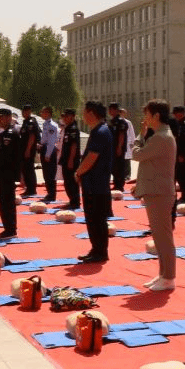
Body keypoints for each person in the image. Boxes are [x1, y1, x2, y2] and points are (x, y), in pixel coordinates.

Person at [133, 100, 179, 292]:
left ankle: (168, 277)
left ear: (156, 116)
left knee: (163, 237)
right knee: (159, 237)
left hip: (159, 192)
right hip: (156, 190)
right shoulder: (160, 136)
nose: (146, 119)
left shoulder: (161, 137)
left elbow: (137, 155)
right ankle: (163, 274)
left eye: (148, 115)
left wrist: (138, 137)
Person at [74, 101, 114, 264]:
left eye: (84, 112)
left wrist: (78, 172)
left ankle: (100, 251)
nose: (83, 115)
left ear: (91, 113)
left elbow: (92, 157)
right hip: (95, 183)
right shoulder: (100, 130)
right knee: (93, 219)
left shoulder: (100, 132)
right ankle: (96, 249)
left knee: (96, 219)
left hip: (96, 183)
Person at [0, 108, 22, 239]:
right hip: (1, 173)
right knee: (2, 200)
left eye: (1, 118)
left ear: (8, 118)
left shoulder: (13, 133)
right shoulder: (3, 134)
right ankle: (7, 227)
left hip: (7, 173)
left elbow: (10, 156)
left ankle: (11, 229)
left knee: (7, 201)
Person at [59, 108, 82, 210]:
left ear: (72, 117)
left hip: (71, 159)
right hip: (66, 158)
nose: (64, 118)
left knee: (72, 181)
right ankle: (72, 200)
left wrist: (71, 160)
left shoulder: (73, 128)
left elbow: (74, 145)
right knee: (67, 181)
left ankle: (75, 201)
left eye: (66, 116)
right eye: (63, 116)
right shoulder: (67, 128)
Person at [37, 106, 60, 202]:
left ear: (48, 113)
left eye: (43, 112)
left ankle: (52, 194)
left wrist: (48, 154)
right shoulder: (45, 124)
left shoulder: (52, 125)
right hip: (44, 148)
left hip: (49, 149)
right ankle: (49, 192)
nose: (41, 113)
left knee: (50, 173)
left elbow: (51, 141)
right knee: (46, 173)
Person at [107, 103, 131, 193]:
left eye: (112, 109)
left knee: (119, 167)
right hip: (111, 148)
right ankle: (116, 184)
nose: (110, 111)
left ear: (117, 110)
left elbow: (121, 135)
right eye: (109, 110)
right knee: (113, 167)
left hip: (118, 147)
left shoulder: (121, 121)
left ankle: (120, 185)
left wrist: (119, 147)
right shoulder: (110, 121)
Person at [19, 104, 41, 197]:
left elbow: (32, 137)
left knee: (29, 169)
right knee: (25, 169)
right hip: (24, 149)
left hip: (29, 149)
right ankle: (29, 188)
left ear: (29, 111)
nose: (23, 113)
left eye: (25, 111)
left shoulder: (31, 122)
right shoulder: (26, 122)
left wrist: (28, 150)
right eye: (23, 111)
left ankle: (31, 189)